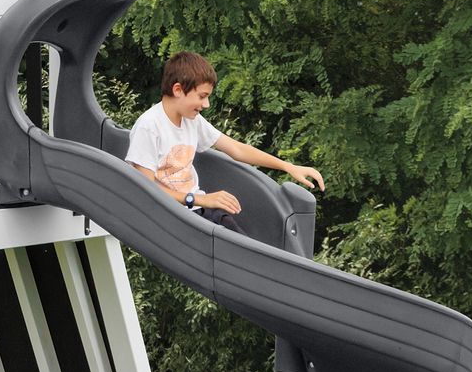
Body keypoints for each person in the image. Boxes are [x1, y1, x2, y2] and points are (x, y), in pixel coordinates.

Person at [126, 52, 325, 235]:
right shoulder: (149, 126)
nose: (206, 105)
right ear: (178, 89)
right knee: (232, 243)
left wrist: (287, 166)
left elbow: (236, 149)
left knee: (239, 236)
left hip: (197, 211)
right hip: (170, 216)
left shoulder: (192, 120)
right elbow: (145, 188)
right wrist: (197, 199)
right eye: (202, 96)